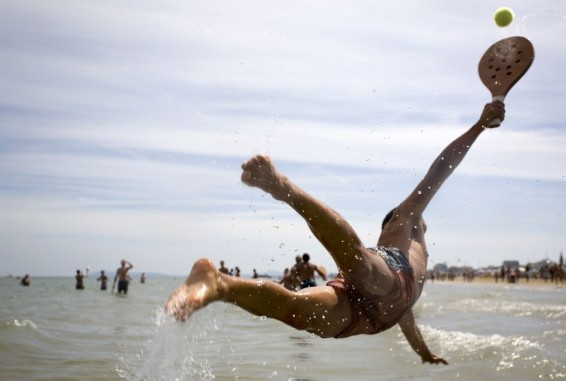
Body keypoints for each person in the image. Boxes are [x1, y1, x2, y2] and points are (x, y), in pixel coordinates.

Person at [166, 101, 506, 364]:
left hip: (373, 317)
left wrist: (424, 354)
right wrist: (479, 126)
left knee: (298, 311)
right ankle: (283, 188)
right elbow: (439, 171)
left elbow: (406, 318)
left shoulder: (412, 262)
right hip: (389, 279)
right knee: (358, 262)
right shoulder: (405, 220)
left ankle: (219, 284)